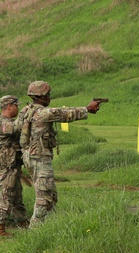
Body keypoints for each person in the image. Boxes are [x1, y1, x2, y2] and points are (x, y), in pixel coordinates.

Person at [19, 81, 102, 228]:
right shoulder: (44, 113)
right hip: (39, 158)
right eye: (49, 94)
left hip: (30, 157)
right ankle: (34, 231)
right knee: (44, 197)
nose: (50, 97)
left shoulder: (26, 110)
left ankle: (50, 227)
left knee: (51, 195)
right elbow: (65, 114)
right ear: (43, 96)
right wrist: (87, 109)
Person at [0, 95, 28, 236]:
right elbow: (15, 127)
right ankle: (0, 228)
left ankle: (23, 223)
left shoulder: (8, 122)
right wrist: (25, 113)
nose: (17, 108)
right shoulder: (1, 124)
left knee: (16, 197)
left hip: (13, 167)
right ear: (9, 107)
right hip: (6, 168)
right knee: (6, 196)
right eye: (16, 106)